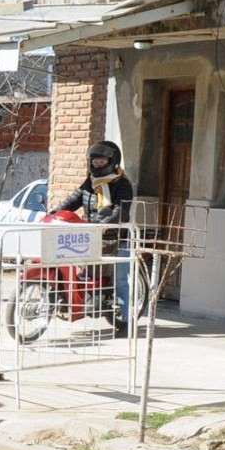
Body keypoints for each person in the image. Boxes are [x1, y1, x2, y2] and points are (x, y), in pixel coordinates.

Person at [52, 140, 135, 332]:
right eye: (95, 161)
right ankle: (86, 301)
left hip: (117, 238)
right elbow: (73, 199)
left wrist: (106, 224)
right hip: (92, 235)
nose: (98, 164)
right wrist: (54, 213)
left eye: (102, 161)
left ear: (112, 161)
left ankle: (127, 321)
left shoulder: (122, 184)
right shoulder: (90, 183)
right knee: (84, 273)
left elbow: (121, 210)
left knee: (120, 281)